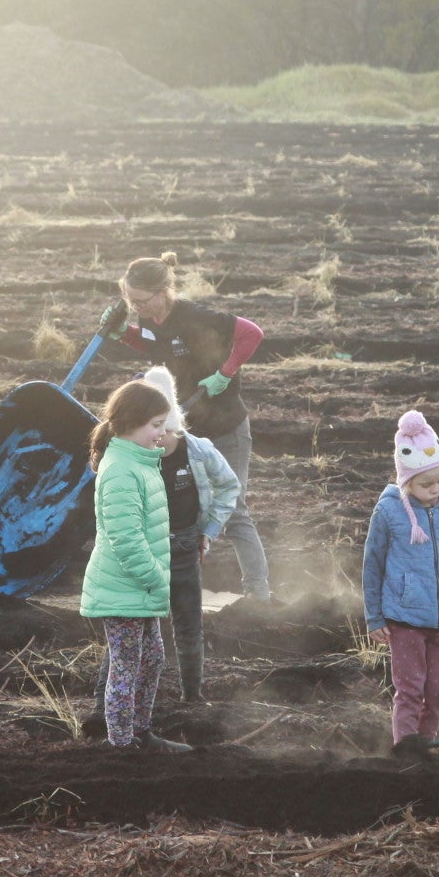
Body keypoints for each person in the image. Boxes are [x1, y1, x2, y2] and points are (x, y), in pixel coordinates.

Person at [101, 254, 270, 602]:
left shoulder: (194, 317)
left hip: (225, 425)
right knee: (180, 507)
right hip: (187, 429)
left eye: (141, 300)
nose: (135, 307)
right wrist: (122, 333)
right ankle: (175, 586)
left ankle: (258, 593)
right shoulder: (150, 321)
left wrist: (226, 373)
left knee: (234, 508)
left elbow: (252, 334)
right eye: (130, 300)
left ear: (163, 292)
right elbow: (152, 344)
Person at [80, 379, 189, 751]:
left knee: (152, 658)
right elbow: (125, 539)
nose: (163, 432)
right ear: (131, 423)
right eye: (156, 425)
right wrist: (157, 578)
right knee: (126, 666)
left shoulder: (140, 462)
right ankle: (122, 746)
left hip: (138, 585)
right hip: (125, 585)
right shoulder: (121, 471)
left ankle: (141, 733)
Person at [361, 410, 439, 754]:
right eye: (426, 484)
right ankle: (404, 747)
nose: (436, 489)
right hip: (404, 618)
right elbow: (372, 564)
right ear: (406, 481)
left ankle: (425, 743)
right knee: (410, 687)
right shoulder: (389, 511)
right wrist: (374, 616)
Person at [138, 366, 239, 707]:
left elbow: (229, 486)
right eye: (153, 432)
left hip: (184, 547)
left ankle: (193, 698)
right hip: (144, 552)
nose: (159, 441)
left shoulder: (198, 451)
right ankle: (107, 706)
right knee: (132, 630)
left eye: (165, 432)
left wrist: (208, 532)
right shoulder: (131, 454)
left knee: (189, 627)